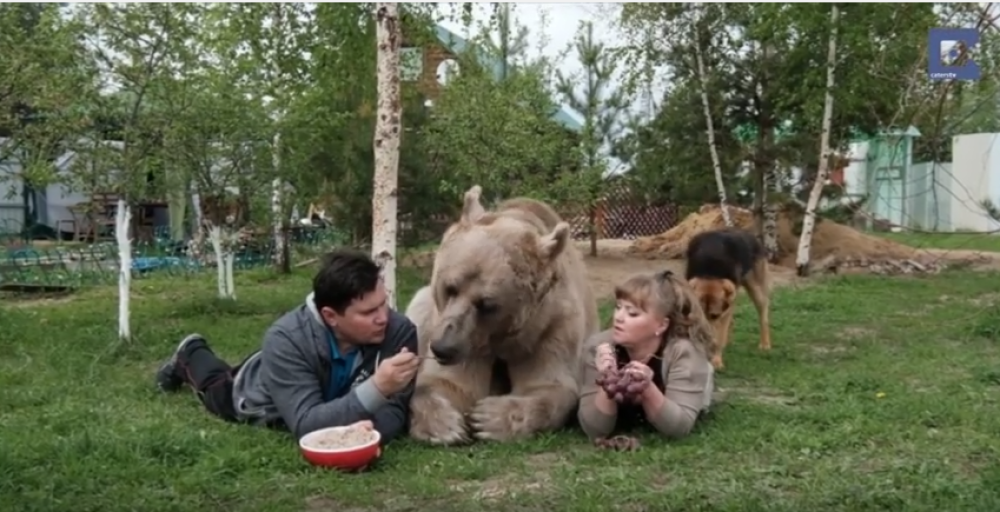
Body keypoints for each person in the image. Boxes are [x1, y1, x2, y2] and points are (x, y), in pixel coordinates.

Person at [154, 249, 421, 447]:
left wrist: (369, 434)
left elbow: (395, 409)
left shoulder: (399, 331)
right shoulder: (286, 338)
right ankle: (189, 352)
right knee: (214, 385)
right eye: (368, 312)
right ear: (330, 316)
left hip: (319, 389)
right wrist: (379, 387)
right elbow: (306, 425)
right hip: (259, 396)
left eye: (383, 303)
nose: (383, 317)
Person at [577, 271, 715, 440]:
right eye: (618, 307)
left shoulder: (683, 352)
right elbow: (595, 429)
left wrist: (647, 389)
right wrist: (607, 378)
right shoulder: (598, 347)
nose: (619, 318)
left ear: (662, 325)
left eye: (632, 313)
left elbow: (679, 427)